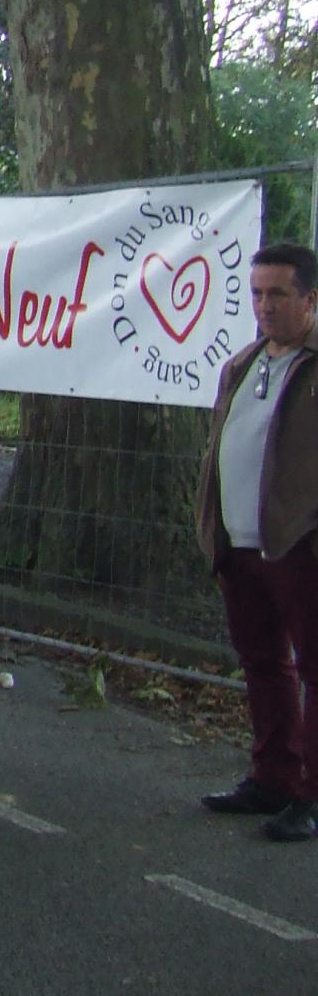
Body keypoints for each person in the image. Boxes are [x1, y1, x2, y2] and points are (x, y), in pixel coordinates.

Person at [195, 240, 318, 842]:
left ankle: (312, 797)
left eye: (279, 294)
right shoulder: (242, 365)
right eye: (257, 294)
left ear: (310, 299)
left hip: (298, 546)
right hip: (239, 543)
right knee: (263, 662)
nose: (265, 306)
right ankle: (273, 778)